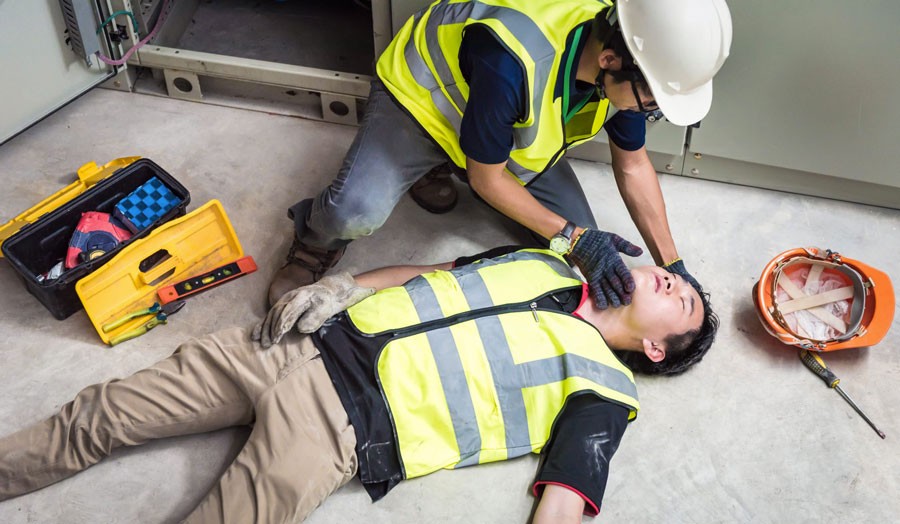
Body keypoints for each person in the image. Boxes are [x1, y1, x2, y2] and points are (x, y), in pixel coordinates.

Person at [0, 246, 718, 523]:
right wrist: (343, 285)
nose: (668, 279)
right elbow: (432, 277)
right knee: (99, 412)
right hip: (294, 343)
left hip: (343, 425)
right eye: (675, 275)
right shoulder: (550, 265)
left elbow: (565, 500)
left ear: (655, 347)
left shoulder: (603, 388)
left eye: (679, 298)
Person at [269, 0, 732, 310]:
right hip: (427, 104)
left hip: (496, 127)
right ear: (611, 60)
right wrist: (573, 235)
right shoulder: (516, 59)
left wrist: (673, 264)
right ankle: (315, 240)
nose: (648, 111)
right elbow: (487, 179)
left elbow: (633, 165)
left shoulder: (628, 61)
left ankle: (439, 170)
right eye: (650, 102)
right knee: (355, 212)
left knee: (572, 253)